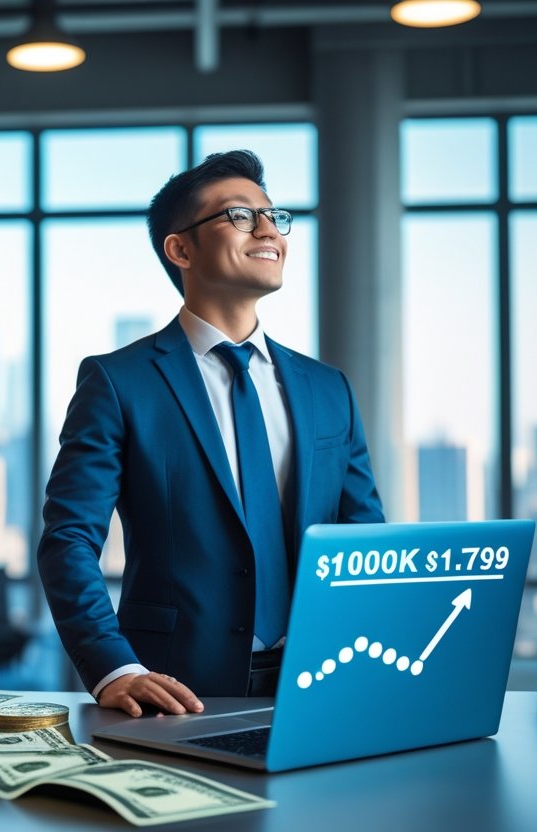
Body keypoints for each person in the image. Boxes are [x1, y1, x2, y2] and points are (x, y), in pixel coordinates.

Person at [37, 149, 384, 718]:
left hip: (321, 685)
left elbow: (363, 544)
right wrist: (113, 668)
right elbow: (68, 540)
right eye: (241, 215)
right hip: (173, 695)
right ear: (180, 249)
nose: (269, 229)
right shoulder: (119, 381)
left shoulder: (328, 390)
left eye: (274, 216)